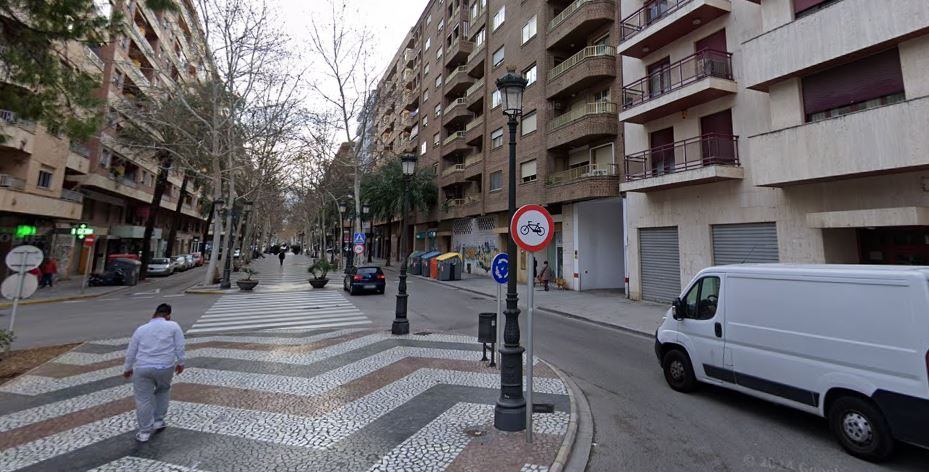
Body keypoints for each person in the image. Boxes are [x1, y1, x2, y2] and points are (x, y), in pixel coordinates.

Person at [123, 303, 185, 443]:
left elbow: (131, 350)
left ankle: (144, 432)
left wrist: (127, 368)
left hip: (143, 368)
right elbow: (180, 346)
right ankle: (158, 421)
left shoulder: (141, 329)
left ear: (155, 313)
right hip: (165, 367)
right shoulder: (174, 326)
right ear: (168, 315)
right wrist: (181, 362)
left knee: (143, 399)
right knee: (163, 391)